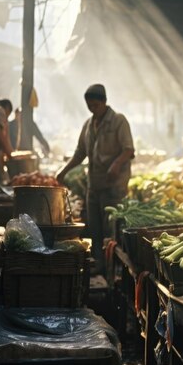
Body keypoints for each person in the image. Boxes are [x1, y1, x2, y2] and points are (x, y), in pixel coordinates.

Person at [56, 84, 135, 275]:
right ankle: (99, 265)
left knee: (112, 230)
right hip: (94, 185)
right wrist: (63, 171)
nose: (92, 109)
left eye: (95, 105)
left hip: (114, 186)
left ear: (104, 102)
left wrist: (116, 165)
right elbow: (80, 152)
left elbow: (129, 150)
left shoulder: (118, 121)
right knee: (95, 229)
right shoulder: (88, 125)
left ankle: (114, 270)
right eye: (89, 106)